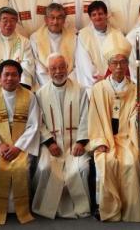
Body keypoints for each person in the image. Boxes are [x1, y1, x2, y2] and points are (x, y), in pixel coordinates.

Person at [0, 60, 40, 224]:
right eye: (6, 74)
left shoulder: (29, 96)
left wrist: (18, 147)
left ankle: (20, 208)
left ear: (19, 77)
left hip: (21, 145)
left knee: (22, 168)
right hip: (0, 145)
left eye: (14, 75)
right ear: (0, 77)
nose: (10, 78)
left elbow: (34, 125)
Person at [88, 45, 140, 222]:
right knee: (107, 162)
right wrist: (99, 141)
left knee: (130, 163)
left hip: (126, 138)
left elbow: (135, 120)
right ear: (109, 66)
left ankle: (130, 209)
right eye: (115, 63)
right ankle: (107, 208)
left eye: (123, 62)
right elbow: (94, 117)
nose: (119, 67)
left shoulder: (135, 89)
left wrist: (139, 114)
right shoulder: (99, 88)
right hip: (105, 137)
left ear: (128, 65)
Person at [32, 54, 91, 219]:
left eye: (61, 67)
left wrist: (81, 142)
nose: (58, 71)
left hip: (76, 145)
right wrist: (49, 143)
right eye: (53, 68)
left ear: (67, 68)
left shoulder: (80, 90)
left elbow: (86, 117)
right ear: (47, 71)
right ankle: (48, 206)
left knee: (81, 168)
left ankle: (80, 206)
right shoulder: (40, 94)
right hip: (52, 146)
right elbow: (39, 122)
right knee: (44, 168)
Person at [74, 1, 128, 91]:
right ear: (90, 17)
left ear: (106, 15)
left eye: (100, 14)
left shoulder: (117, 33)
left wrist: (108, 77)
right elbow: (84, 62)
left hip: (114, 83)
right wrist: (97, 77)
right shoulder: (83, 35)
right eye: (94, 15)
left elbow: (121, 59)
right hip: (93, 83)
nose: (97, 17)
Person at [0, 7, 35, 89]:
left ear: (16, 23)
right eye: (5, 20)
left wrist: (20, 86)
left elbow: (27, 66)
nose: (9, 24)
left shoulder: (24, 42)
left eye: (12, 20)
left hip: (19, 87)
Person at [30, 3, 77, 86]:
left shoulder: (74, 38)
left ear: (64, 20)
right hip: (45, 83)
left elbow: (76, 64)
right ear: (46, 19)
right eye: (52, 18)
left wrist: (67, 82)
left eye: (59, 18)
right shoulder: (35, 38)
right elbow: (37, 65)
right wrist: (50, 84)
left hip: (70, 82)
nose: (55, 22)